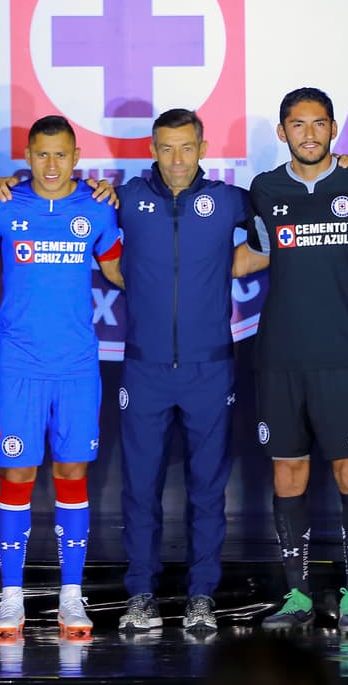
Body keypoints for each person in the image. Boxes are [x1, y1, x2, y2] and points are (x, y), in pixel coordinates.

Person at [241, 87, 348, 634]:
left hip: (344, 353)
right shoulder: (264, 189)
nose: (309, 134)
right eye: (297, 125)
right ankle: (298, 594)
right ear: (282, 133)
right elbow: (253, 253)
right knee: (289, 469)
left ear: (333, 129)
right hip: (280, 353)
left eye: (319, 123)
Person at [0, 115, 123, 639]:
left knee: (72, 477)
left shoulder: (98, 208)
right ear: (28, 155)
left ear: (76, 155)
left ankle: (71, 598)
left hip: (77, 367)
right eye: (41, 154)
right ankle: (11, 599)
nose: (52, 165)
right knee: (16, 477)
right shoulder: (3, 207)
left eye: (61, 154)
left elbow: (119, 272)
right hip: (17, 365)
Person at [112, 108, 250, 634]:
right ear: (153, 147)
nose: (176, 159)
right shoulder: (126, 199)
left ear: (202, 147)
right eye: (166, 148)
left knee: (207, 489)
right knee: (139, 488)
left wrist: (230, 265)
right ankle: (142, 595)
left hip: (209, 367)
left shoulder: (230, 201)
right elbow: (103, 251)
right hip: (145, 368)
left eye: (186, 147)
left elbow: (273, 236)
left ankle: (201, 597)